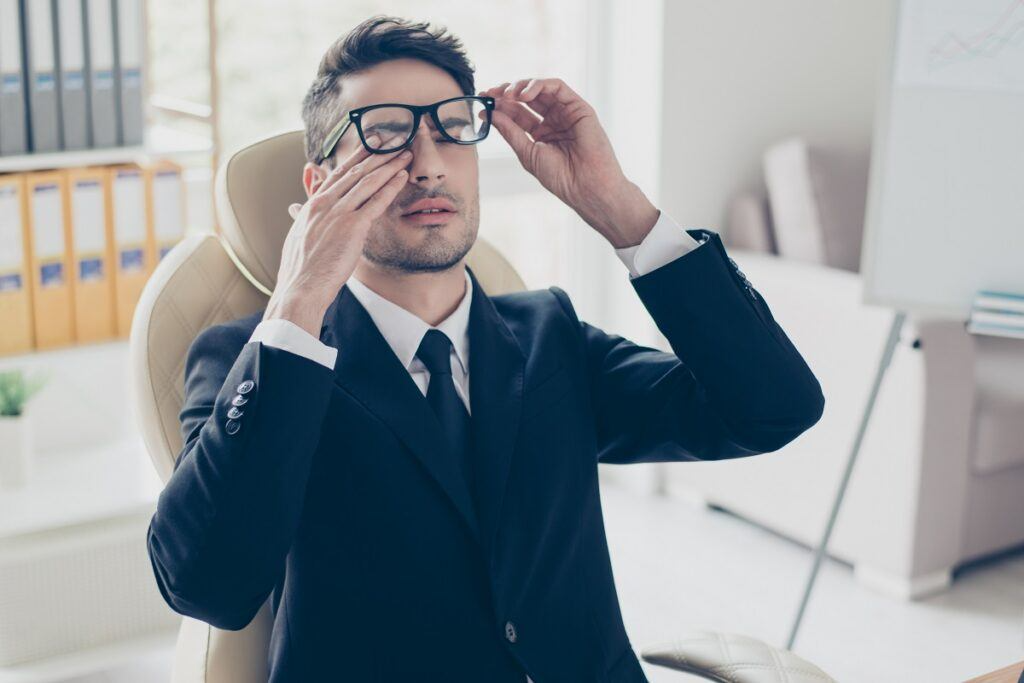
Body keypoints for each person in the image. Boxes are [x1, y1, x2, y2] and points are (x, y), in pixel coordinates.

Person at [146, 14, 825, 682]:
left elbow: (773, 407)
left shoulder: (547, 335)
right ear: (320, 185)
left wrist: (622, 212)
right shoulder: (263, 359)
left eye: (452, 130)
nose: (428, 164)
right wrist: (297, 306)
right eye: (385, 135)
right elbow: (208, 584)